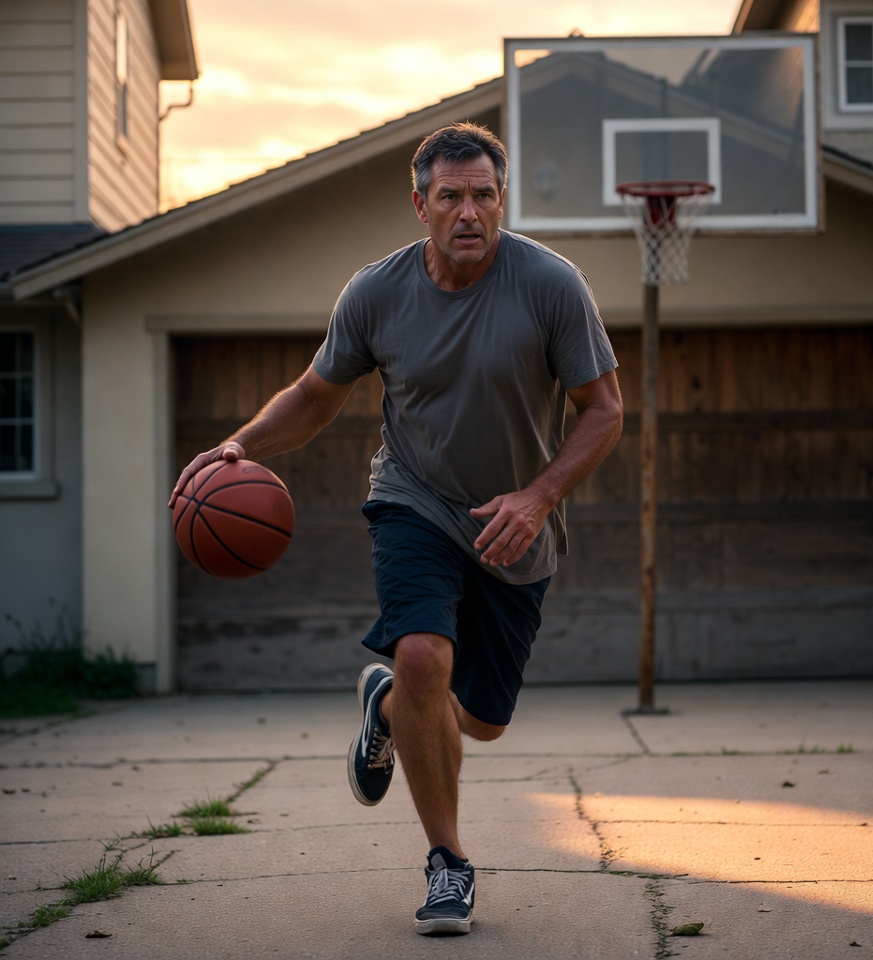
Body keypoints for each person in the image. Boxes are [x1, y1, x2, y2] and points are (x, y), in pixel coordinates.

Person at [169, 121, 623, 936]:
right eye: (450, 197)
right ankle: (449, 862)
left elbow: (605, 411)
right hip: (413, 499)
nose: (468, 212)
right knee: (420, 655)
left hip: (515, 526)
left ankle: (387, 709)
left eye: (483, 195)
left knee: (480, 721)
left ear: (502, 199)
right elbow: (315, 395)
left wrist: (539, 497)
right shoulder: (375, 293)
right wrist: (241, 444)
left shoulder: (552, 285)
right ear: (421, 205)